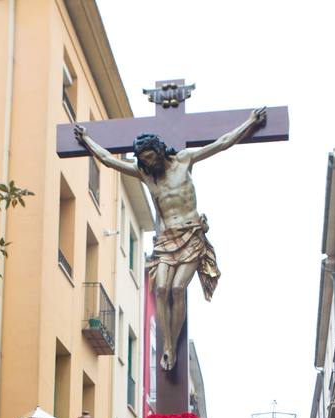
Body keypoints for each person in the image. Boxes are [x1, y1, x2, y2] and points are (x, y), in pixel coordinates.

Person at [75, 109, 266, 371]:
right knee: (161, 289)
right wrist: (86, 140)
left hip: (191, 234)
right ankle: (167, 347)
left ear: (160, 150)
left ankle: (170, 347)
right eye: (143, 159)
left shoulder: (185, 160)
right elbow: (108, 160)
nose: (147, 162)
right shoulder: (144, 174)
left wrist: (251, 122)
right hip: (166, 240)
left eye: (150, 156)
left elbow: (222, 143)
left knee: (178, 289)